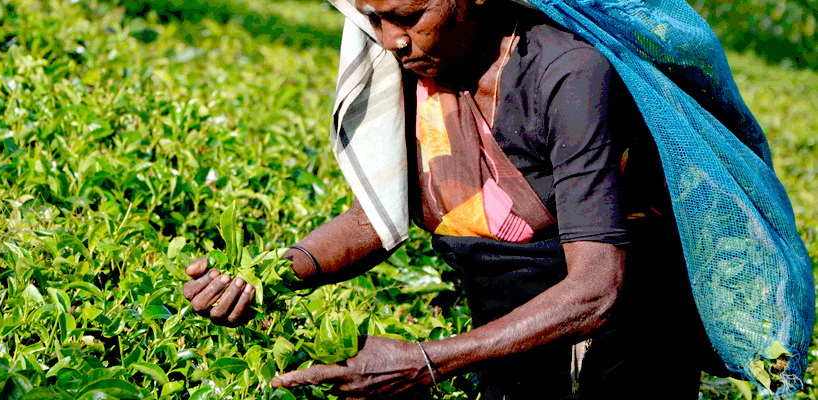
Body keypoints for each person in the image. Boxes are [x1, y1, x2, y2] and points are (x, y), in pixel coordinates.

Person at [183, 0, 727, 398]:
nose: (392, 39)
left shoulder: (567, 74)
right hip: (508, 346)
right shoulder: (417, 70)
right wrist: (267, 276)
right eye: (376, 19)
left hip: (625, 345)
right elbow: (377, 218)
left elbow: (597, 286)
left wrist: (424, 361)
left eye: (410, 17)